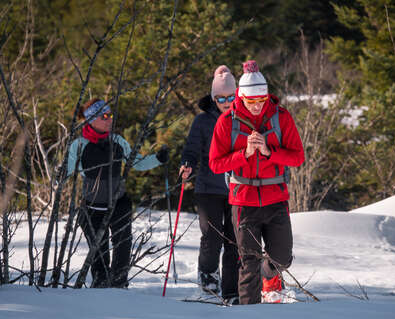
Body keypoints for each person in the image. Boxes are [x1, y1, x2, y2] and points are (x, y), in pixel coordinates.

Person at [209, 60, 305, 304]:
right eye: (250, 101)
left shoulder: (281, 118)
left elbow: (297, 157)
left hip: (276, 198)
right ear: (240, 97)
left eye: (261, 100)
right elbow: (216, 164)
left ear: (266, 96)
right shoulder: (226, 122)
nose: (256, 106)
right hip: (243, 200)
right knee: (248, 262)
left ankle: (269, 274)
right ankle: (249, 317)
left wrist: (270, 152)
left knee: (282, 259)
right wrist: (245, 155)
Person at [67, 99, 169, 288]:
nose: (109, 120)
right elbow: (67, 169)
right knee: (99, 250)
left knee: (123, 244)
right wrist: (58, 178)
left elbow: (136, 162)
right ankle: (100, 283)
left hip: (118, 203)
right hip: (91, 207)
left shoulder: (118, 141)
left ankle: (119, 283)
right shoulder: (79, 145)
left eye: (110, 115)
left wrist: (158, 159)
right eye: (104, 116)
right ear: (91, 120)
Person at [179, 65, 239, 303]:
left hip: (237, 188)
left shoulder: (242, 118)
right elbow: (191, 149)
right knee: (211, 238)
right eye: (221, 98)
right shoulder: (202, 121)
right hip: (208, 188)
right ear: (214, 99)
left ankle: (232, 288)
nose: (226, 102)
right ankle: (208, 283)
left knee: (234, 240)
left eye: (230, 97)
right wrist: (187, 164)